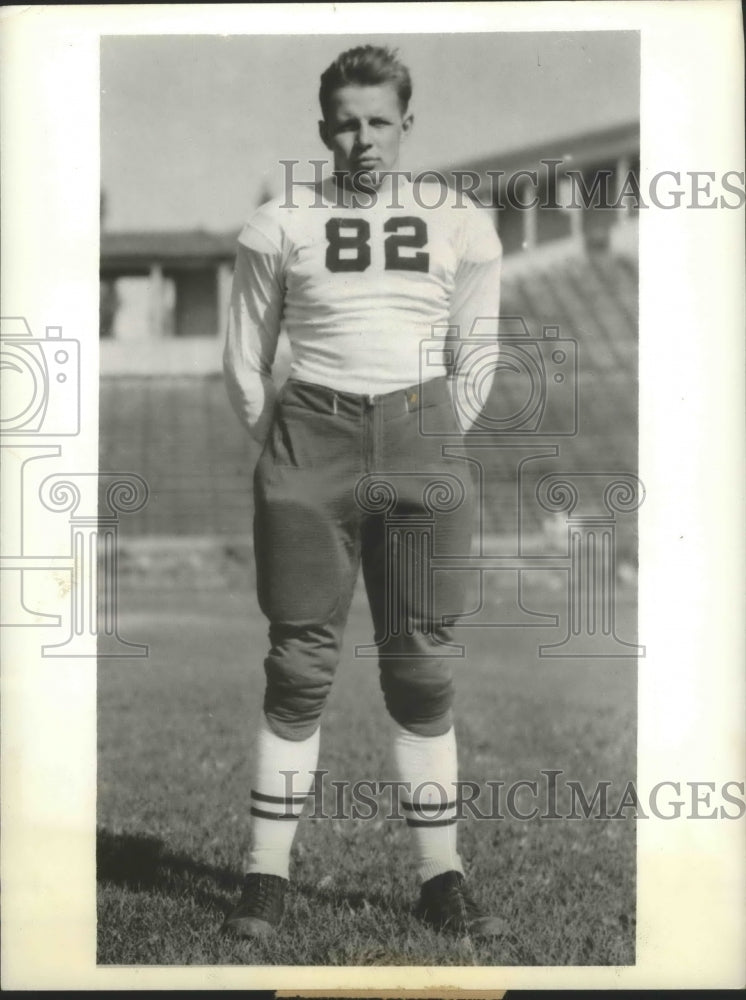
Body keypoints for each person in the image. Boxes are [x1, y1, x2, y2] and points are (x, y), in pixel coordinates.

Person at [222, 44, 503, 941]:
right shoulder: (280, 223)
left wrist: (436, 432)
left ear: (406, 126)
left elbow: (479, 347)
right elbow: (244, 356)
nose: (362, 138)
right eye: (345, 121)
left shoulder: (458, 219)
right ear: (322, 129)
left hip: (421, 429)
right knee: (299, 661)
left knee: (422, 665)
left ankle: (440, 875)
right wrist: (289, 444)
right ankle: (265, 876)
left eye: (379, 120)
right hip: (314, 432)